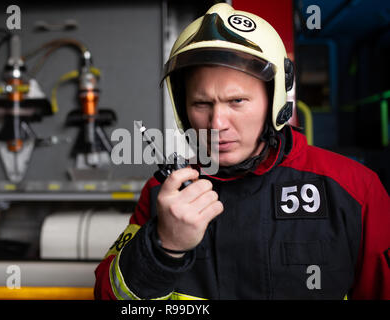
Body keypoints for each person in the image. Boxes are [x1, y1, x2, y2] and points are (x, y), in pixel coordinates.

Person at [95, 3, 390, 299]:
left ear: (274, 99)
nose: (217, 123)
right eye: (201, 104)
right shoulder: (163, 194)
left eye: (236, 101)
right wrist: (164, 248)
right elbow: (110, 296)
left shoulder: (355, 189)